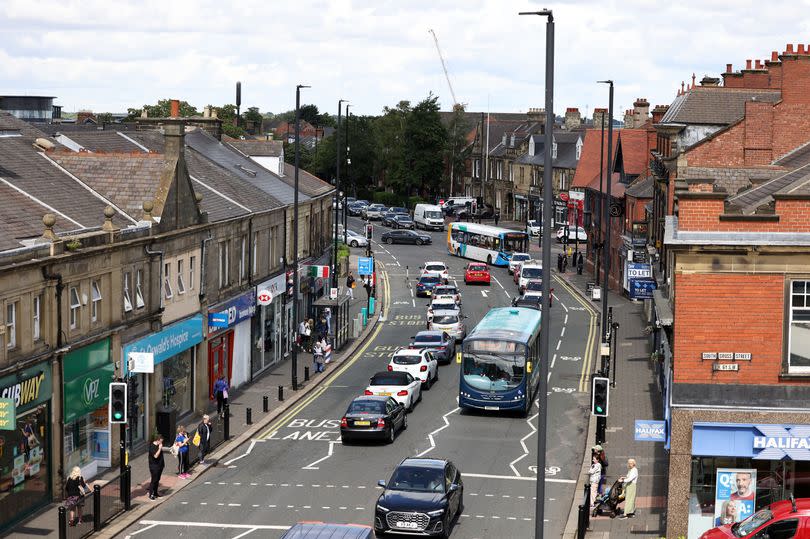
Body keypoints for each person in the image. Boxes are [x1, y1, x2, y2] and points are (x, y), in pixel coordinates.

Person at [148, 434, 165, 500]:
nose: (161, 443)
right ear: (157, 440)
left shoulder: (158, 445)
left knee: (157, 480)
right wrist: (160, 448)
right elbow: (155, 456)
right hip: (154, 466)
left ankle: (155, 493)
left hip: (160, 466)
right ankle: (151, 494)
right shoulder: (152, 446)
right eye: (161, 441)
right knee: (154, 480)